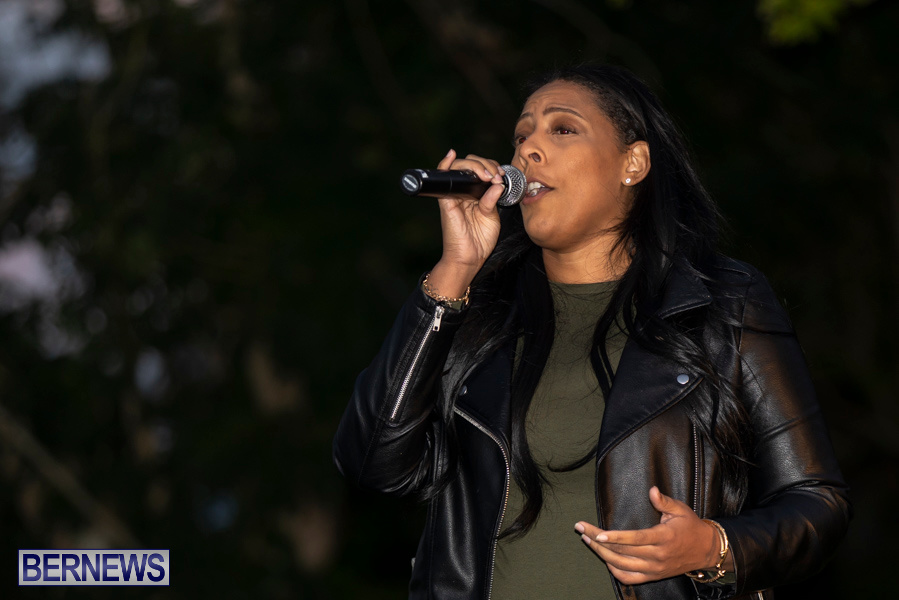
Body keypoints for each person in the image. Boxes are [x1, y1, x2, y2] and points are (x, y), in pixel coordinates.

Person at [333, 64, 851, 599]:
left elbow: (818, 503)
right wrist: (455, 269)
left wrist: (713, 549)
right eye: (521, 135)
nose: (528, 149)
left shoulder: (722, 303)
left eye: (562, 128)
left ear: (633, 163)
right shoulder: (476, 313)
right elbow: (372, 462)